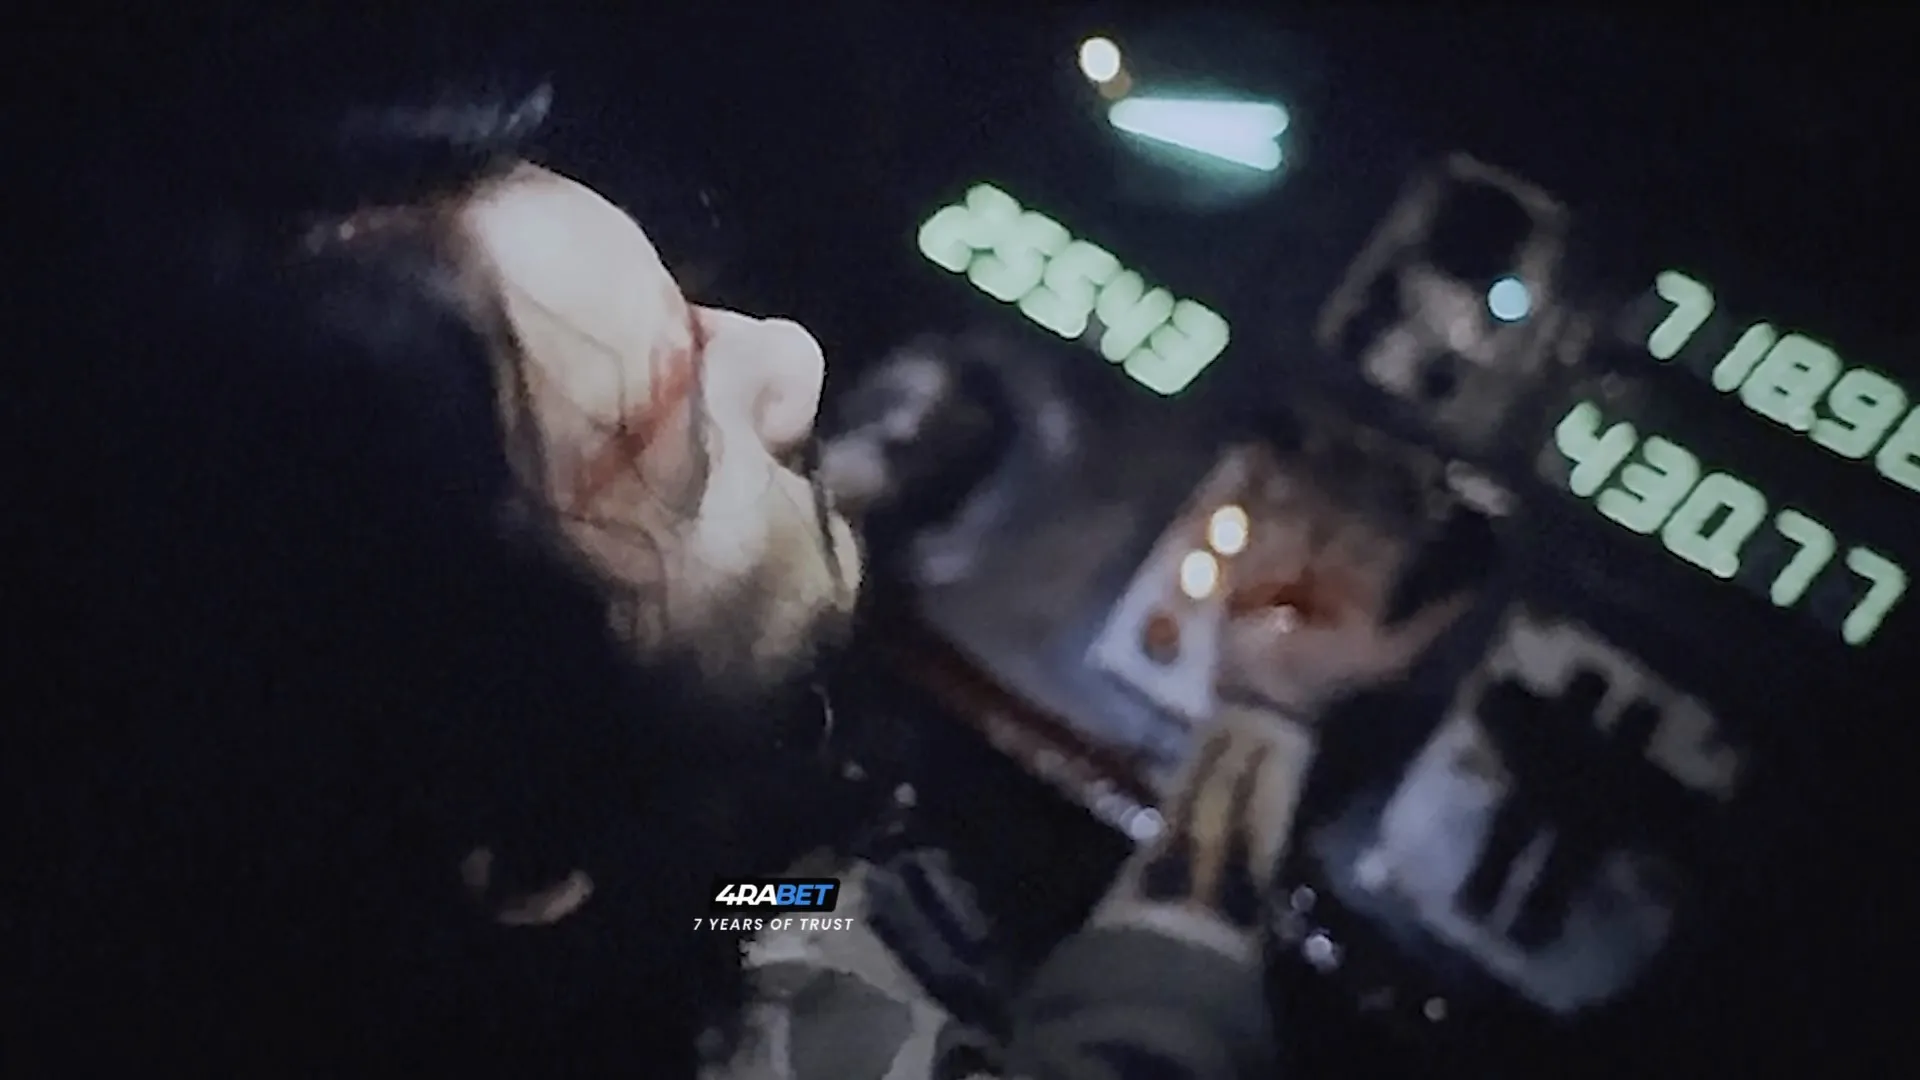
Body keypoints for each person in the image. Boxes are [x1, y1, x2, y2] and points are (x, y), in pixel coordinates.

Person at [20, 52, 1356, 1079]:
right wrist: (1264, 719)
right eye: (672, 439)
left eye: (691, 306)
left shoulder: (708, 897)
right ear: (524, 829)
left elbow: (771, 904)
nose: (795, 355)